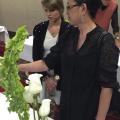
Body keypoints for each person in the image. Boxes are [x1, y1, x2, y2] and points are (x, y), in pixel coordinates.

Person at [19, 0, 119, 119]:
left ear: (83, 8)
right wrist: (18, 66)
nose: (66, 13)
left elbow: (107, 87)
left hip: (87, 109)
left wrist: (100, 118)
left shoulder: (104, 41)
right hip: (66, 105)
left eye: (69, 7)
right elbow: (47, 62)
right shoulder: (70, 33)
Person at [32, 0, 71, 119]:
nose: (49, 13)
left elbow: (68, 61)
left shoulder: (69, 30)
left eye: (52, 10)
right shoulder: (39, 28)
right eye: (46, 10)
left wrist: (56, 78)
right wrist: (46, 77)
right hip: (43, 73)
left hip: (63, 75)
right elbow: (36, 56)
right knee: (42, 108)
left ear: (60, 10)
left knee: (60, 109)